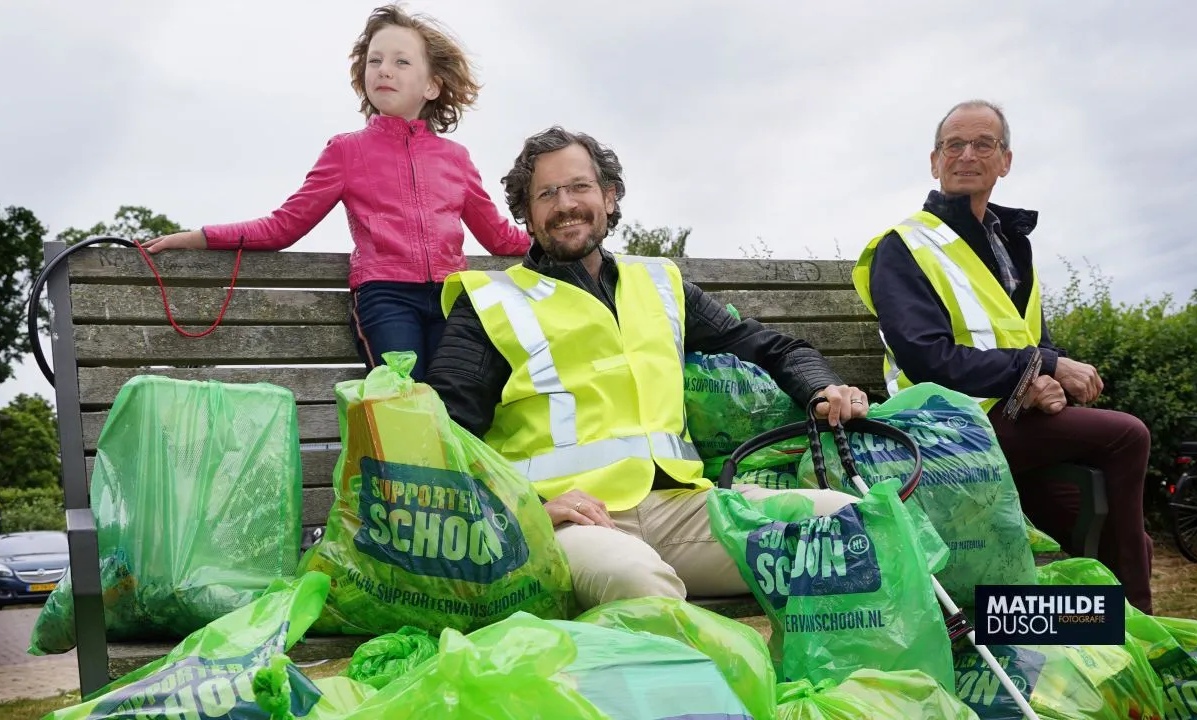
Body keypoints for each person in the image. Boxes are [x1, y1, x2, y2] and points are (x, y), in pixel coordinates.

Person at [425, 126, 870, 609]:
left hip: (683, 510)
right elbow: (444, 437)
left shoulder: (660, 283)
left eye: (579, 187)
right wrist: (527, 509)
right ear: (527, 216)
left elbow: (770, 347)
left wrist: (824, 388)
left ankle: (806, 684)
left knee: (849, 524)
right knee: (639, 582)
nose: (565, 204)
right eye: (546, 194)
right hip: (571, 525)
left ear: (610, 197)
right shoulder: (492, 302)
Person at [853, 100, 1153, 613]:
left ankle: (1093, 650)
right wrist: (1039, 369)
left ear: (1005, 161)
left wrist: (1041, 380)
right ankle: (1146, 626)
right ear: (934, 160)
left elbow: (1032, 339)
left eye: (983, 144)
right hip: (943, 434)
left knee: (1115, 540)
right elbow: (927, 358)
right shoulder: (905, 245)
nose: (967, 155)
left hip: (1008, 425)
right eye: (954, 145)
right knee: (1127, 436)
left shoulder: (1011, 243)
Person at [142, 4, 529, 380]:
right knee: (406, 401)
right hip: (386, 296)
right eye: (374, 61)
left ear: (432, 85)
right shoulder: (347, 151)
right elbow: (284, 226)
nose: (384, 71)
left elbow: (499, 236)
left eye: (401, 61)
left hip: (451, 297)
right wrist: (201, 237)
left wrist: (561, 241)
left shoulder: (456, 159)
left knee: (458, 400)